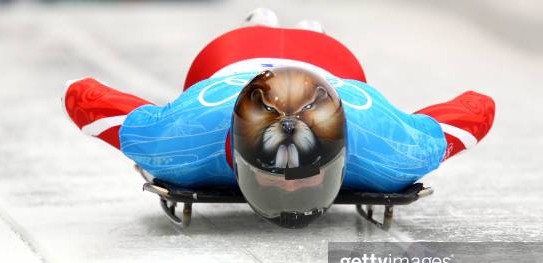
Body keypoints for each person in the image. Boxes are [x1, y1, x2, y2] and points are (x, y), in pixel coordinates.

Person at [63, 9, 495, 228]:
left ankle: (281, 28)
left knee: (279, 45)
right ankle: (301, 32)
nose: (290, 194)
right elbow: (475, 109)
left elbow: (85, 97)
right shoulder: (182, 137)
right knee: (302, 43)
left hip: (258, 57)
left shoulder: (388, 144)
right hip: (266, 60)